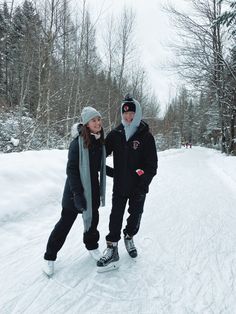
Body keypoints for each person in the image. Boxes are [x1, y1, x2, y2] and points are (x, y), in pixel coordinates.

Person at [43, 106, 106, 277]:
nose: (98, 122)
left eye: (99, 119)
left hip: (92, 188)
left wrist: (118, 172)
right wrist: (77, 194)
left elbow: (99, 166)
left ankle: (92, 247)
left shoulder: (99, 142)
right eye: (94, 120)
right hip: (74, 190)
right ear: (86, 123)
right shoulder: (76, 143)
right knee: (65, 224)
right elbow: (71, 170)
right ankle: (49, 256)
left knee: (93, 222)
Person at [97, 95, 158, 272]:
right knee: (115, 215)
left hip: (138, 187)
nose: (128, 118)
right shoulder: (115, 135)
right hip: (120, 186)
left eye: (132, 113)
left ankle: (129, 236)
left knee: (135, 214)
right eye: (125, 114)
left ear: (137, 113)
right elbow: (101, 153)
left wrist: (143, 184)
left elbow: (152, 166)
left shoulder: (146, 137)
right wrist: (108, 171)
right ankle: (112, 248)